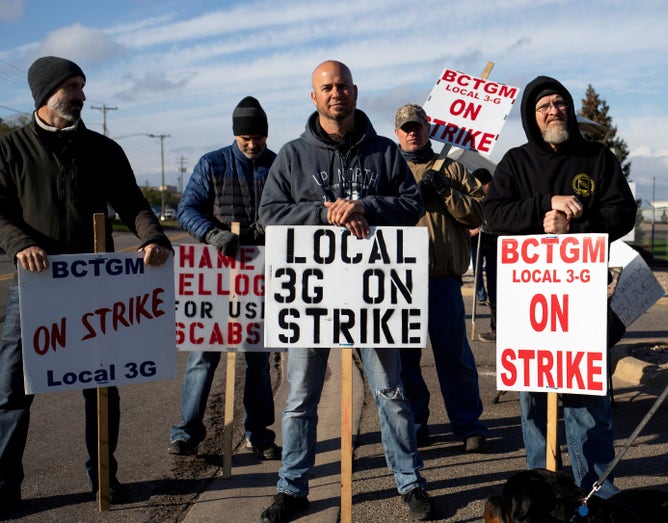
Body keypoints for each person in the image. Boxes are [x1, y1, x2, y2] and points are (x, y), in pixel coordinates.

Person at [258, 60, 433, 522]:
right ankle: (292, 486)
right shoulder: (293, 155)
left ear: (355, 92)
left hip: (374, 298)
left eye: (343, 86)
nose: (336, 93)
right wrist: (324, 212)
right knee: (300, 398)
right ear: (313, 96)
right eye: (326, 87)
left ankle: (409, 481)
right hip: (311, 301)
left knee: (391, 392)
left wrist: (365, 206)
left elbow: (412, 204)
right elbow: (270, 215)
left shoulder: (384, 152)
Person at [0, 56, 173, 513]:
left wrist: (153, 237)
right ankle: (4, 484)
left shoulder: (103, 150)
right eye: (72, 87)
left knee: (101, 383)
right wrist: (19, 244)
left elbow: (132, 203)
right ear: (46, 93)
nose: (81, 95)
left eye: (82, 86)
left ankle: (104, 476)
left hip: (94, 285)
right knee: (11, 389)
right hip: (34, 285)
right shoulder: (10, 149)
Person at [483, 75, 636, 498]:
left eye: (560, 103)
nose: (554, 111)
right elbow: (495, 214)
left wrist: (577, 223)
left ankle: (595, 492)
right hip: (528, 306)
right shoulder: (514, 162)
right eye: (544, 106)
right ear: (532, 118)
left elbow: (623, 213)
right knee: (535, 406)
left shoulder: (597, 157)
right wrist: (543, 207)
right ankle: (542, 489)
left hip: (582, 304)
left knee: (589, 404)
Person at [167, 96, 281, 460]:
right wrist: (211, 233)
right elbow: (187, 209)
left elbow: (294, 208)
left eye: (258, 137)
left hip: (261, 271)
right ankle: (186, 432)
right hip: (216, 271)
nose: (252, 144)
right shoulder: (212, 163)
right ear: (235, 135)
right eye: (245, 137)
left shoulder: (278, 166)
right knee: (204, 354)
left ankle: (259, 434)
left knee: (258, 358)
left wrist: (276, 223)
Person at [393, 103, 489, 452]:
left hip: (443, 279)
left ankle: (468, 425)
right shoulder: (388, 169)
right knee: (404, 361)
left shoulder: (451, 168)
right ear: (397, 133)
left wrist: (447, 192)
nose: (412, 132)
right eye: (406, 127)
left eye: (417, 126)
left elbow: (479, 212)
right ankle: (415, 423)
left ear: (427, 128)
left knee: (455, 357)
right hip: (399, 281)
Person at [468, 168, 493, 305]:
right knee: (477, 270)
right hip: (475, 240)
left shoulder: (495, 195)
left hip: (491, 238)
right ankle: (481, 295)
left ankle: (494, 297)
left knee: (492, 271)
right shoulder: (473, 196)